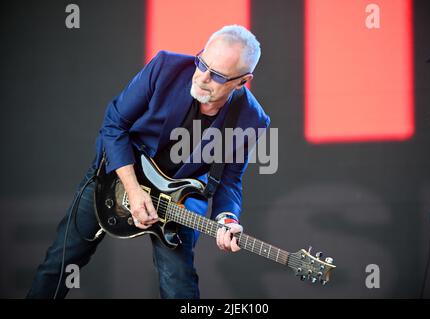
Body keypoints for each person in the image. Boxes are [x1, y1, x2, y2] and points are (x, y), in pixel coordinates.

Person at [27, 24, 270, 299]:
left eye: (217, 76)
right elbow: (114, 124)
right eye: (202, 62)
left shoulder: (252, 120)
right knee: (59, 266)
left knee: (179, 287)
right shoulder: (165, 67)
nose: (202, 77)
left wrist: (227, 218)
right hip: (117, 176)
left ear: (242, 80)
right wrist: (133, 189)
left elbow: (230, 181)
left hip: (177, 203)